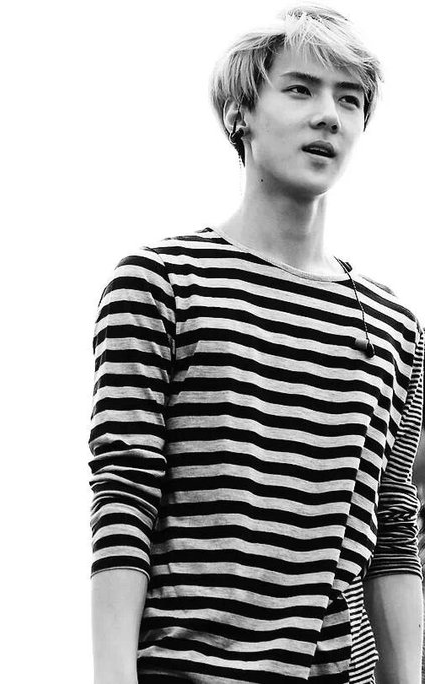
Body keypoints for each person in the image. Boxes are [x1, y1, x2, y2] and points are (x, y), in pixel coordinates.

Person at [88, 4, 424, 683]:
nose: (328, 115)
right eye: (300, 89)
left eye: (349, 99)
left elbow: (392, 532)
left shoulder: (395, 325)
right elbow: (125, 494)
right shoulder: (162, 282)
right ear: (240, 113)